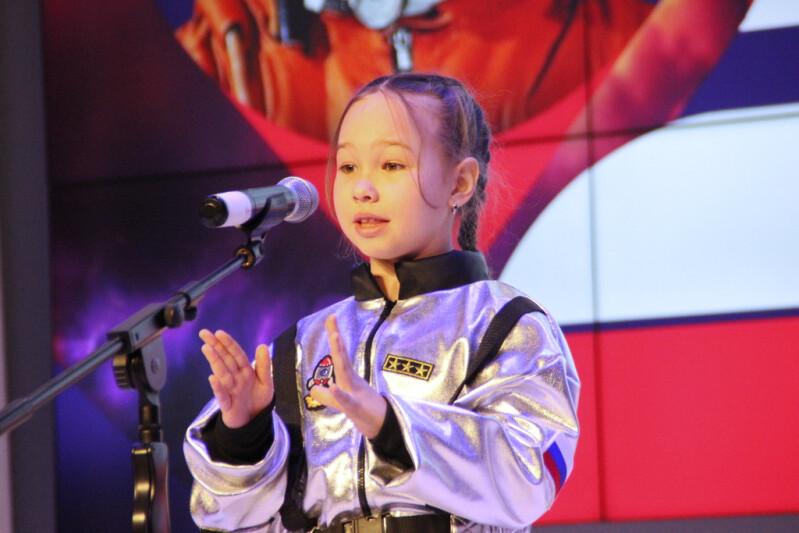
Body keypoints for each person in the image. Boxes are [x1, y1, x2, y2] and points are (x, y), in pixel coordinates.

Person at [184, 73, 580, 532]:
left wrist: (389, 424)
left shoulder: (506, 325)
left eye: (391, 165)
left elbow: (532, 474)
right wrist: (243, 436)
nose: (362, 188)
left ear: (460, 183)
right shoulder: (303, 343)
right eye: (348, 166)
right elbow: (225, 518)